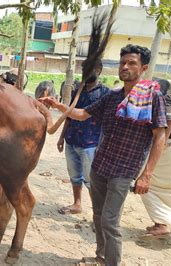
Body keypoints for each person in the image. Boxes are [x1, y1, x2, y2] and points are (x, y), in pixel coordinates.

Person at [40, 44, 167, 266]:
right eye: (122, 62)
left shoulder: (152, 98)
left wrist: (147, 174)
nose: (125, 67)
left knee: (110, 220)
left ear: (144, 67)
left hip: (124, 170)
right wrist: (57, 105)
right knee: (98, 216)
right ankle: (101, 256)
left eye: (131, 63)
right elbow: (81, 114)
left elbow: (160, 137)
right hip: (100, 166)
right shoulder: (112, 96)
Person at [57, 59, 109, 215]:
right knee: (74, 175)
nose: (85, 72)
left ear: (99, 70)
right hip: (71, 140)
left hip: (90, 144)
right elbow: (69, 115)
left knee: (91, 180)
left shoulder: (105, 93)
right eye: (84, 68)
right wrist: (61, 137)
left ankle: (97, 213)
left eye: (90, 68)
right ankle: (77, 204)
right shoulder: (78, 91)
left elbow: (107, 122)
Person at [141, 62, 171, 236]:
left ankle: (164, 223)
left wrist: (161, 145)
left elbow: (168, 124)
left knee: (146, 183)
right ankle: (167, 220)